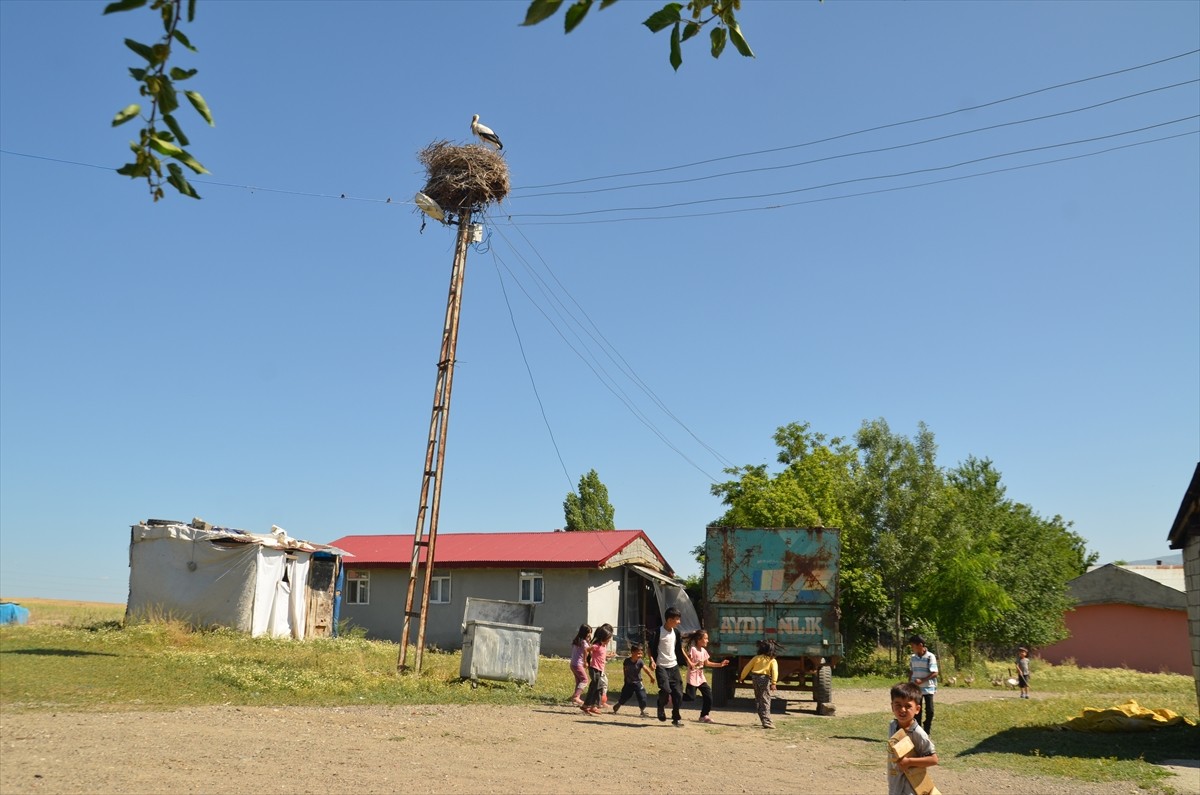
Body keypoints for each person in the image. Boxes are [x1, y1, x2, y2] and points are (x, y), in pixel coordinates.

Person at [887, 681, 938, 795]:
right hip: (895, 784)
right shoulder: (892, 726)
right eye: (898, 705)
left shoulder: (918, 734)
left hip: (911, 788)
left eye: (908, 706)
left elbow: (934, 759)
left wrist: (909, 762)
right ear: (892, 706)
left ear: (917, 709)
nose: (902, 710)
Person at [646, 606, 687, 726]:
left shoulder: (677, 633)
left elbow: (680, 648)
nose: (679, 622)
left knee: (678, 693)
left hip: (673, 666)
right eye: (677, 619)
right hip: (661, 666)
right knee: (665, 690)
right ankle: (660, 706)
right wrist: (651, 660)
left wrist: (689, 661)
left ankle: (676, 717)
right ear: (669, 620)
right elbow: (649, 648)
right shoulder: (657, 632)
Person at [685, 629, 729, 723]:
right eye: (706, 638)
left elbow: (707, 663)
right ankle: (674, 696)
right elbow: (688, 662)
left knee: (708, 696)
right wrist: (694, 664)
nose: (707, 641)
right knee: (690, 697)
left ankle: (704, 715)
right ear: (699, 639)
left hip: (701, 678)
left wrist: (720, 664)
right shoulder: (693, 649)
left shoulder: (703, 651)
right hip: (692, 677)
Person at [738, 639, 779, 729]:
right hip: (765, 679)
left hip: (755, 678)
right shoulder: (772, 660)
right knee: (766, 699)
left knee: (759, 698)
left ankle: (763, 718)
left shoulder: (756, 658)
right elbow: (775, 671)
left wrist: (742, 677)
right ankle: (766, 721)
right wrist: (774, 683)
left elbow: (747, 668)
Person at [908, 634, 938, 736]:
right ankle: (919, 732)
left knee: (930, 711)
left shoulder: (930, 657)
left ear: (920, 645)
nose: (912, 648)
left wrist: (922, 680)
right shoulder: (913, 658)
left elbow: (935, 673)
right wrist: (909, 684)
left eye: (913, 646)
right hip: (916, 689)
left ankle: (927, 727)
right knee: (917, 711)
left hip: (928, 688)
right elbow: (911, 671)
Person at [612, 642, 654, 716]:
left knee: (642, 696)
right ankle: (618, 704)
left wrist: (651, 677)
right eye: (638, 653)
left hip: (638, 682)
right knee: (625, 696)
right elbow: (625, 670)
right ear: (632, 652)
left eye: (641, 654)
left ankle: (642, 710)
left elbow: (646, 669)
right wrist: (625, 679)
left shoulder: (640, 661)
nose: (640, 655)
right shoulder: (627, 661)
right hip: (629, 683)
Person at [581, 624, 613, 715]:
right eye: (608, 638)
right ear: (603, 637)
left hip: (599, 670)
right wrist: (585, 661)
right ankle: (590, 705)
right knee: (596, 686)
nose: (609, 640)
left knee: (597, 687)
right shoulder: (596, 645)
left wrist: (609, 656)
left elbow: (601, 655)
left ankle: (591, 705)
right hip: (594, 669)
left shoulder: (602, 647)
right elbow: (586, 650)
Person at [568, 624, 591, 706]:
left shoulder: (577, 640)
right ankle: (576, 697)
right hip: (578, 664)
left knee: (579, 681)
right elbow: (586, 651)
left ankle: (576, 697)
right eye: (589, 633)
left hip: (573, 664)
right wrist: (585, 662)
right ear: (585, 633)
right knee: (585, 680)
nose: (590, 635)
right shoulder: (584, 642)